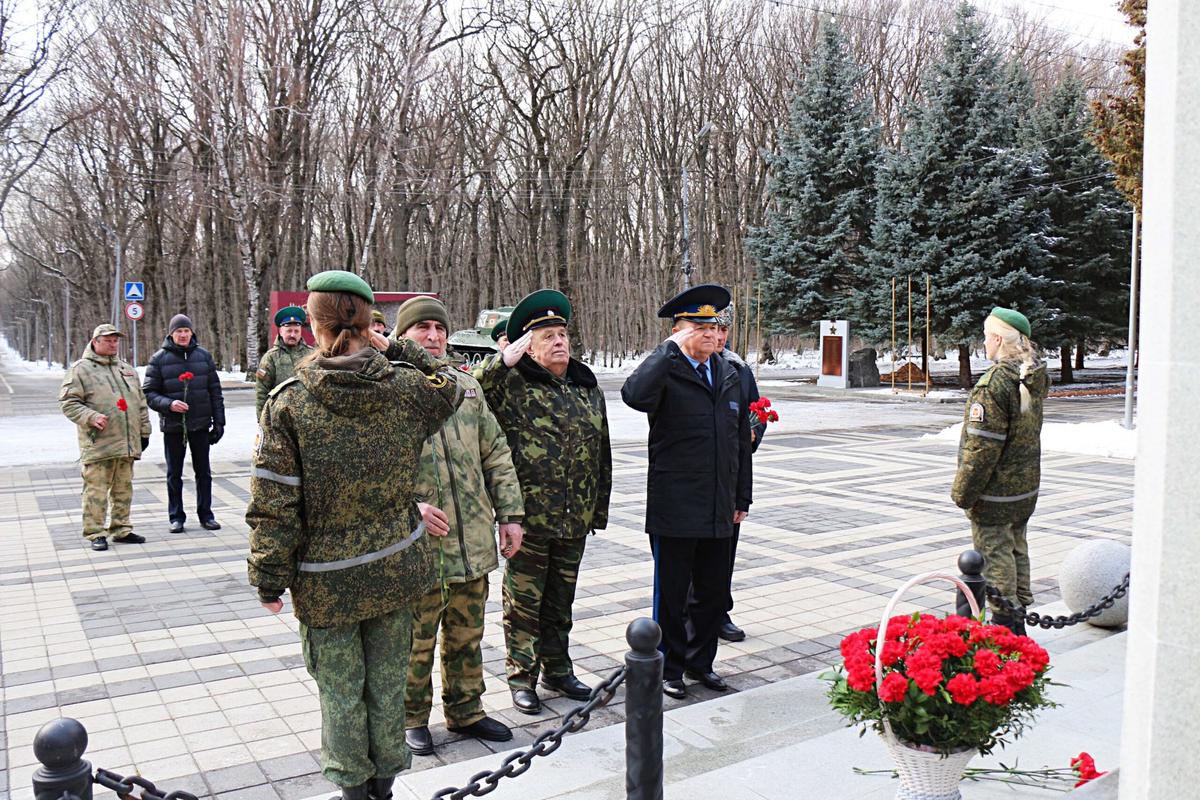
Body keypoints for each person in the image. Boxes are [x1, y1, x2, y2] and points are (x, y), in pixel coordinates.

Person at [247, 270, 463, 800]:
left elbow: (275, 506)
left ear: (313, 324)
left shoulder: (289, 403)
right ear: (370, 325)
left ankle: (353, 789)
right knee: (388, 687)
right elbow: (451, 384)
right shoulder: (406, 390)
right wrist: (400, 352)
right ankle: (385, 783)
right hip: (394, 569)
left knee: (341, 695)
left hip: (325, 585)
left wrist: (268, 579)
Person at [390, 295, 526, 756]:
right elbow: (371, 469)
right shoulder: (387, 386)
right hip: (418, 546)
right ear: (402, 335)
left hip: (471, 539)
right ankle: (410, 717)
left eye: (439, 329)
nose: (432, 337)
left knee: (467, 634)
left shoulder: (466, 385)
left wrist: (510, 515)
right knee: (416, 639)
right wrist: (409, 508)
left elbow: (496, 451)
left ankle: (466, 710)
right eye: (421, 329)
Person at [473, 289, 611, 715]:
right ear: (528, 346)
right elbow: (469, 394)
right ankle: (521, 676)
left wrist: (598, 511)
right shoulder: (511, 384)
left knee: (560, 602)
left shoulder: (585, 387)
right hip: (529, 519)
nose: (558, 341)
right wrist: (502, 362)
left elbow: (601, 452)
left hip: (574, 518)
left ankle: (558, 668)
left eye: (563, 333)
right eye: (547, 335)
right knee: (523, 605)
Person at [621, 284, 752, 699]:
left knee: (712, 594)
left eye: (716, 328)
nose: (712, 336)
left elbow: (739, 443)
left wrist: (741, 499)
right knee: (672, 596)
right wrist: (667, 351)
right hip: (676, 505)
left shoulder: (730, 373)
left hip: (720, 505)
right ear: (679, 332)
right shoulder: (666, 371)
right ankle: (670, 668)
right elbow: (633, 395)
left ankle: (701, 664)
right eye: (701, 328)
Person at [951, 307, 1047, 636]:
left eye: (985, 335)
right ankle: (1019, 615)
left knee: (994, 555)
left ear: (996, 339)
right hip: (1024, 490)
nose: (982, 342)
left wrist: (962, 492)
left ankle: (1007, 630)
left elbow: (981, 450)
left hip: (994, 494)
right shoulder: (1033, 375)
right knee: (1016, 546)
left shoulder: (992, 386)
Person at [59, 324, 153, 551]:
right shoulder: (81, 370)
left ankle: (121, 528)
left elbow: (140, 403)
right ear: (95, 341)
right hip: (99, 443)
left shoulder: (127, 369)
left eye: (115, 340)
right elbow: (68, 402)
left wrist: (144, 431)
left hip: (127, 442)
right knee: (96, 490)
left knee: (124, 488)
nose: (113, 344)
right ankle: (95, 532)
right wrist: (90, 416)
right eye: (108, 340)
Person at [707, 305, 765, 643]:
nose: (718, 336)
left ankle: (719, 610)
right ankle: (692, 611)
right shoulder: (682, 366)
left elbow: (757, 411)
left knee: (726, 548)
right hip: (699, 476)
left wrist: (754, 433)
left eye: (724, 330)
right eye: (712, 329)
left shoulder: (739, 368)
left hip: (732, 473)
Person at [143, 314, 226, 533]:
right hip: (173, 427)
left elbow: (215, 391)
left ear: (192, 332)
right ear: (171, 334)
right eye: (178, 331)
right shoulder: (159, 359)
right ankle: (176, 516)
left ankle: (206, 514)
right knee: (174, 473)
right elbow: (150, 393)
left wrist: (219, 422)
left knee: (204, 472)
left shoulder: (204, 357)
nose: (182, 335)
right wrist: (169, 404)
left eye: (186, 331)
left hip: (200, 424)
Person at [256, 305, 313, 418]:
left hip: (307, 417)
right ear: (281, 332)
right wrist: (261, 421)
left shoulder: (312, 355)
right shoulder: (270, 357)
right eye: (289, 331)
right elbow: (261, 392)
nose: (293, 335)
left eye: (296, 331)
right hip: (280, 418)